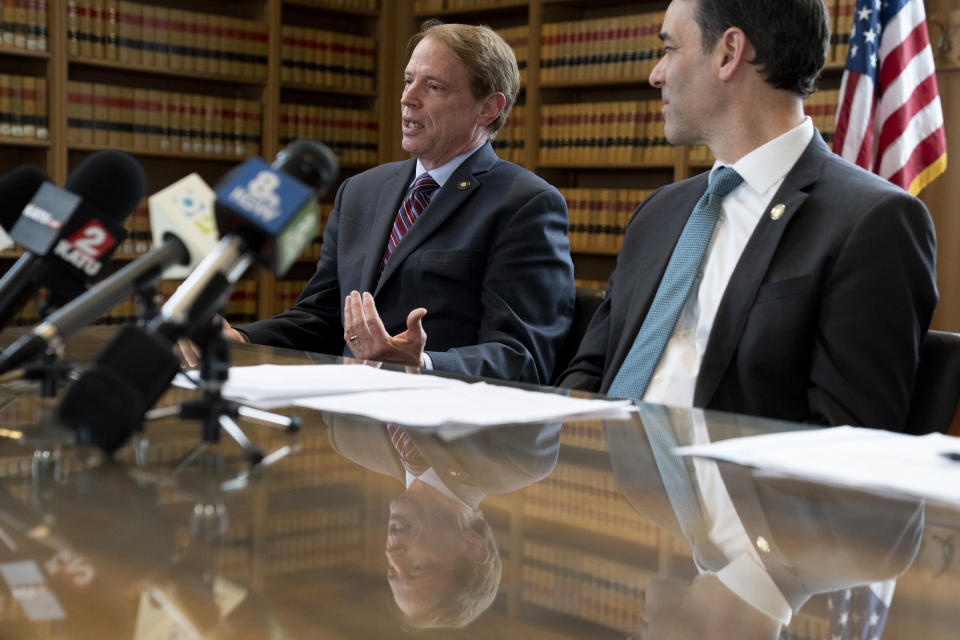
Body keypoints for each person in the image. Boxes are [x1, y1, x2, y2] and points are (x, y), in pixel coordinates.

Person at [558, 0, 938, 430]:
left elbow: (844, 446)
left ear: (728, 53)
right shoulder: (656, 213)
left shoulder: (875, 222)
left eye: (669, 48)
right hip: (590, 482)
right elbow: (590, 374)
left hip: (731, 493)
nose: (656, 74)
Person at [184, 21, 574, 385]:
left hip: (445, 440)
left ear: (487, 108)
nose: (407, 98)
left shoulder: (526, 204)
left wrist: (422, 364)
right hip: (350, 428)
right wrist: (241, 337)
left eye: (433, 86)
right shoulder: (360, 191)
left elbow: (524, 357)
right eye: (408, 81)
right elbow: (322, 317)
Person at [325, 415, 561, 628]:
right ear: (472, 545)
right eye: (417, 568)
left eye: (392, 572)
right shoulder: (520, 458)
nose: (392, 553)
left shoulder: (346, 439)